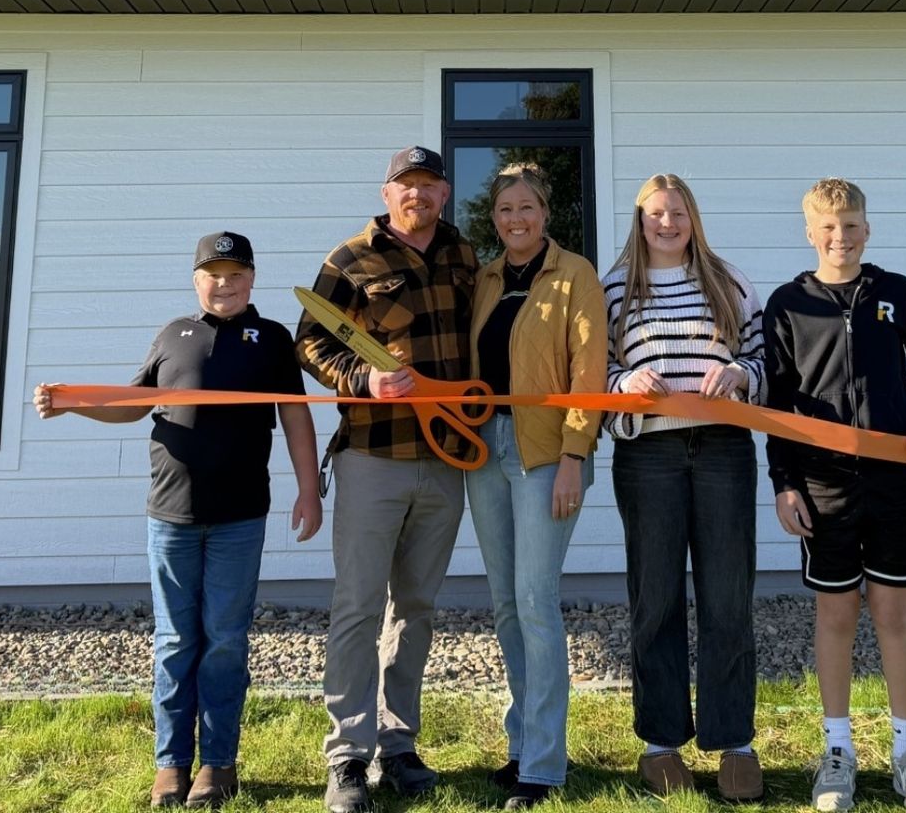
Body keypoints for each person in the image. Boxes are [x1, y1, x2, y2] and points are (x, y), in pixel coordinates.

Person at [34, 231, 322, 810]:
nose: (225, 282)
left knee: (223, 641)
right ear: (197, 280)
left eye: (236, 272)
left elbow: (295, 417)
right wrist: (73, 404)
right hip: (170, 516)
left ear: (251, 279)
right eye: (214, 273)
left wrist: (310, 490)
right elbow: (133, 403)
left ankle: (217, 764)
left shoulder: (270, 340)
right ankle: (171, 765)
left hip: (240, 516)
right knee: (173, 642)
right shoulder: (173, 334)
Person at [761, 179, 906, 813]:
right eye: (827, 227)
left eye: (850, 226)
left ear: (867, 230)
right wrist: (785, 483)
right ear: (809, 233)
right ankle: (837, 753)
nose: (839, 238)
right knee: (836, 616)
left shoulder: (895, 294)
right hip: (822, 485)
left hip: (892, 478)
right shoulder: (788, 304)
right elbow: (778, 404)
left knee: (893, 614)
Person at [296, 146, 480, 813]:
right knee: (357, 605)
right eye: (408, 185)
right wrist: (361, 378)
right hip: (373, 454)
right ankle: (347, 754)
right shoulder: (350, 260)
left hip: (447, 457)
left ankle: (398, 742)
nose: (419, 196)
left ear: (444, 192)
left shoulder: (465, 256)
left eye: (429, 186)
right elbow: (311, 341)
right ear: (387, 191)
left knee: (417, 610)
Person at [604, 172, 768, 802]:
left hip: (723, 450)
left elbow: (762, 358)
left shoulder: (729, 282)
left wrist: (738, 373)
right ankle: (660, 742)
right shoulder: (615, 287)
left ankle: (735, 742)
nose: (666, 224)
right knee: (657, 598)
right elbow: (600, 367)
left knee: (728, 598)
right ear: (639, 221)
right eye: (654, 214)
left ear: (692, 218)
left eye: (676, 213)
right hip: (649, 454)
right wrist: (624, 384)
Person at [464, 163, 607, 809]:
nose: (515, 220)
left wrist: (576, 454)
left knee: (535, 600)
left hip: (548, 453)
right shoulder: (487, 278)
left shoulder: (575, 275)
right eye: (504, 211)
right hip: (485, 449)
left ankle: (545, 766)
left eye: (526, 208)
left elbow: (589, 370)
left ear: (545, 212)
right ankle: (522, 743)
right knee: (503, 603)